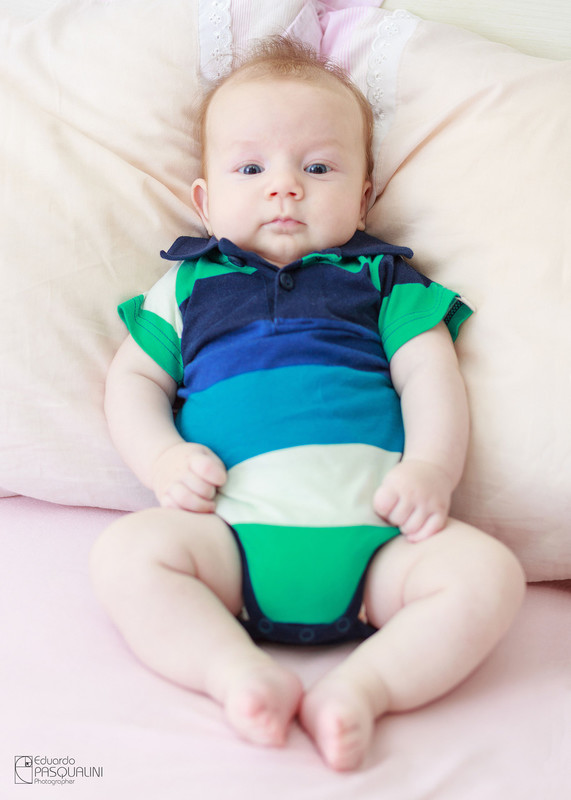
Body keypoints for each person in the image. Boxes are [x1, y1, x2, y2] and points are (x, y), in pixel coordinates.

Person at [90, 37, 525, 772]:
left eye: (317, 168)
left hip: (380, 542)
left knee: (488, 576)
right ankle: (235, 672)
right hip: (227, 537)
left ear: (362, 197)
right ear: (204, 201)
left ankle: (362, 687)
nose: (284, 187)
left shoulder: (385, 284)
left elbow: (430, 379)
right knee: (126, 556)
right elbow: (131, 385)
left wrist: (430, 470)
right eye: (251, 168)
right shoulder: (187, 290)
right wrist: (160, 457)